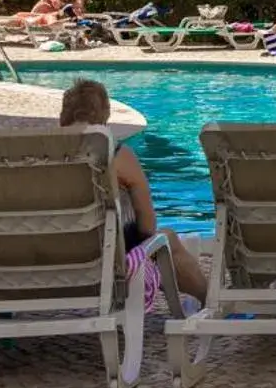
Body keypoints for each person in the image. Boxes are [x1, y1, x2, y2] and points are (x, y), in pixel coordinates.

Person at [58, 79, 207, 303]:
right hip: (105, 265)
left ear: (64, 116)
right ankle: (210, 302)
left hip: (44, 263)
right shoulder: (117, 155)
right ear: (105, 115)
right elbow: (147, 228)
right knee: (167, 240)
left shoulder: (36, 157)